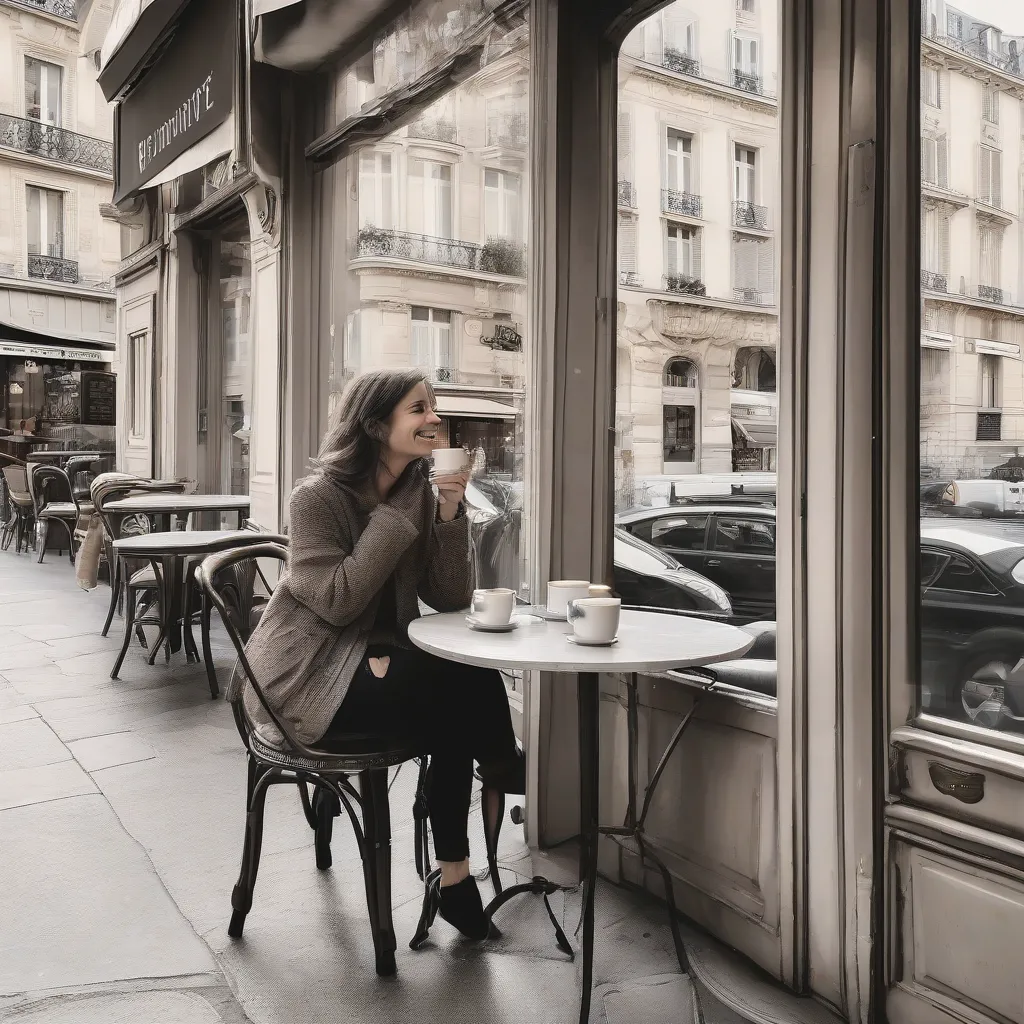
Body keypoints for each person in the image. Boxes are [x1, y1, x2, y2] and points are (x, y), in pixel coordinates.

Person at [239, 368, 524, 941]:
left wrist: (446, 513)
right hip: (309, 675)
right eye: (419, 409)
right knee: (458, 690)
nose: (435, 419)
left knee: (455, 694)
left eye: (433, 407)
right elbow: (340, 602)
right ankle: (502, 769)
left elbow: (447, 596)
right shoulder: (316, 499)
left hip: (379, 664)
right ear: (374, 424)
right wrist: (396, 515)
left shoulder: (421, 490)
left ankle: (455, 875)